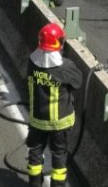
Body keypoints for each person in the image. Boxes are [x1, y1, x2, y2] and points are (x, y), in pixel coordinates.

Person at [26, 23, 82, 187]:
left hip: (37, 119)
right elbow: (77, 82)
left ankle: (34, 184)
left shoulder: (32, 61)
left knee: (35, 152)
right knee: (59, 154)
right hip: (60, 122)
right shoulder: (65, 66)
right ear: (59, 43)